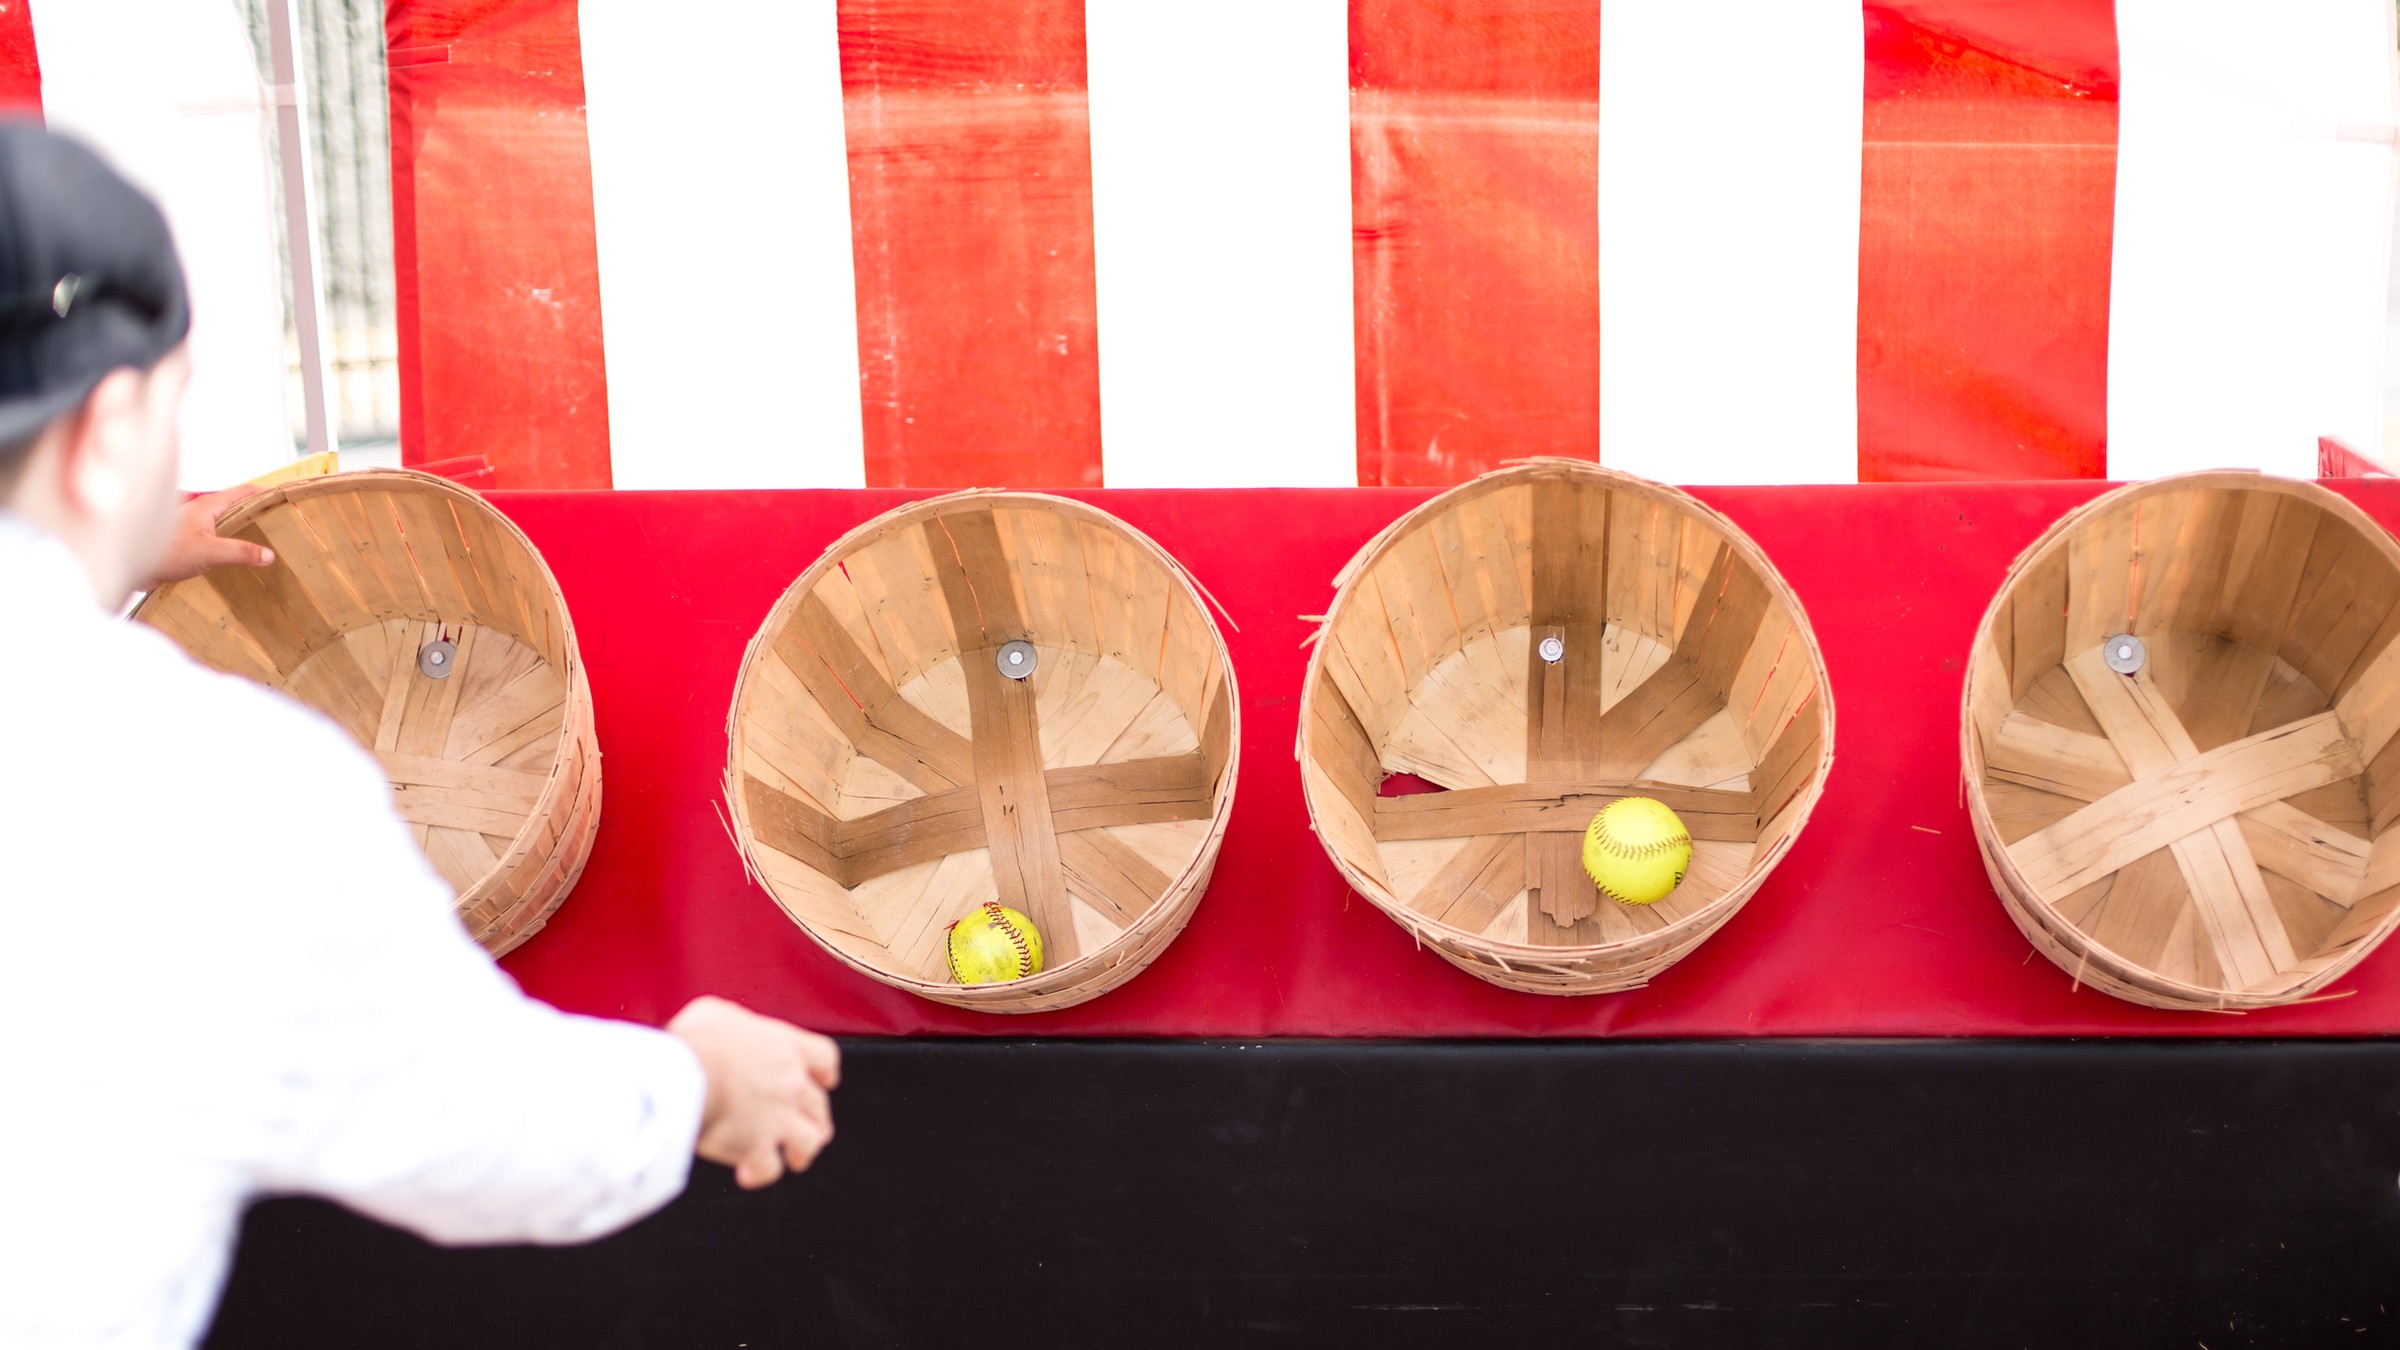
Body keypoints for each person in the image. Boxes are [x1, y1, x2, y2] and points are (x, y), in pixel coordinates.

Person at [0, 125, 839, 1348]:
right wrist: (696, 1081)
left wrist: (102, 537)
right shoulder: (194, 777)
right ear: (112, 426)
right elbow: (471, 1123)